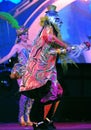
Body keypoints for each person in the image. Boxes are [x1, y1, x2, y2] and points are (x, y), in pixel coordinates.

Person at [0, 26, 34, 126]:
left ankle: (28, 117)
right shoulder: (17, 46)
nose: (26, 35)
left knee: (31, 96)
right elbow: (8, 56)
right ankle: (21, 117)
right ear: (19, 36)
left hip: (31, 71)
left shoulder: (30, 45)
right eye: (24, 34)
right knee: (24, 94)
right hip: (21, 71)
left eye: (27, 33)